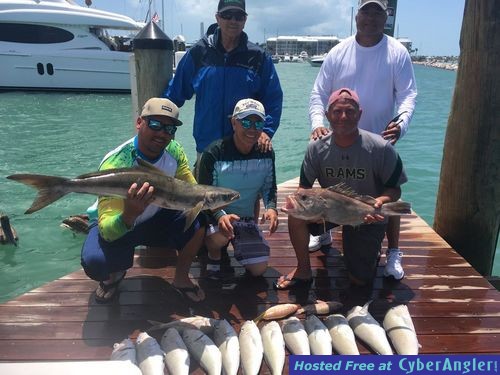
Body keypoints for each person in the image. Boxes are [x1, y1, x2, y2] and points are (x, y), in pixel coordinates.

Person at [307, 0, 417, 280]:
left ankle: (393, 251)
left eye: (377, 11)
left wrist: (401, 124)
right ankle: (325, 232)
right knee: (335, 190)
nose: (370, 17)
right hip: (338, 138)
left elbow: (407, 94)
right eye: (366, 11)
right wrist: (318, 123)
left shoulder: (397, 52)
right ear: (357, 15)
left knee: (386, 196)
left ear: (386, 15)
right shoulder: (338, 51)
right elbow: (319, 93)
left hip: (379, 141)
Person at [275, 88, 408, 289]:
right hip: (329, 212)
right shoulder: (316, 148)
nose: (343, 117)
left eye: (350, 111)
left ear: (360, 114)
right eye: (337, 111)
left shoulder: (381, 148)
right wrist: (309, 211)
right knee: (296, 214)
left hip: (367, 215)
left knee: (360, 280)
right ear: (327, 114)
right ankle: (303, 269)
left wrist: (379, 202)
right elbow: (303, 188)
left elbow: (394, 190)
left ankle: (378, 249)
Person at [81, 98, 206, 303]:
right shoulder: (116, 161)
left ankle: (182, 279)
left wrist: (218, 210)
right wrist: (129, 214)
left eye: (169, 129)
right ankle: (115, 274)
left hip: (155, 218)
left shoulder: (174, 150)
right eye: (155, 125)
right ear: (139, 122)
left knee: (200, 222)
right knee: (95, 262)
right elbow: (107, 231)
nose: (162, 133)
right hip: (118, 223)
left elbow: (191, 189)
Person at [163, 0, 283, 173]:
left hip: (245, 148)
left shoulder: (259, 57)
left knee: (246, 198)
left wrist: (266, 131)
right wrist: (157, 126)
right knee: (205, 199)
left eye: (239, 16)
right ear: (218, 18)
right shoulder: (198, 52)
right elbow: (174, 95)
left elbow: (273, 99)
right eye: (227, 15)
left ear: (245, 20)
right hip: (206, 148)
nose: (233, 20)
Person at [197, 98, 279, 280]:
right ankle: (214, 254)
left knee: (259, 270)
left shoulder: (267, 153)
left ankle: (240, 242)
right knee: (219, 237)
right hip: (215, 218)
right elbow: (205, 196)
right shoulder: (213, 153)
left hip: (245, 220)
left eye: (258, 123)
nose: (252, 129)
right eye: (246, 122)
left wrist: (271, 208)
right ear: (234, 122)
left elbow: (269, 186)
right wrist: (220, 216)